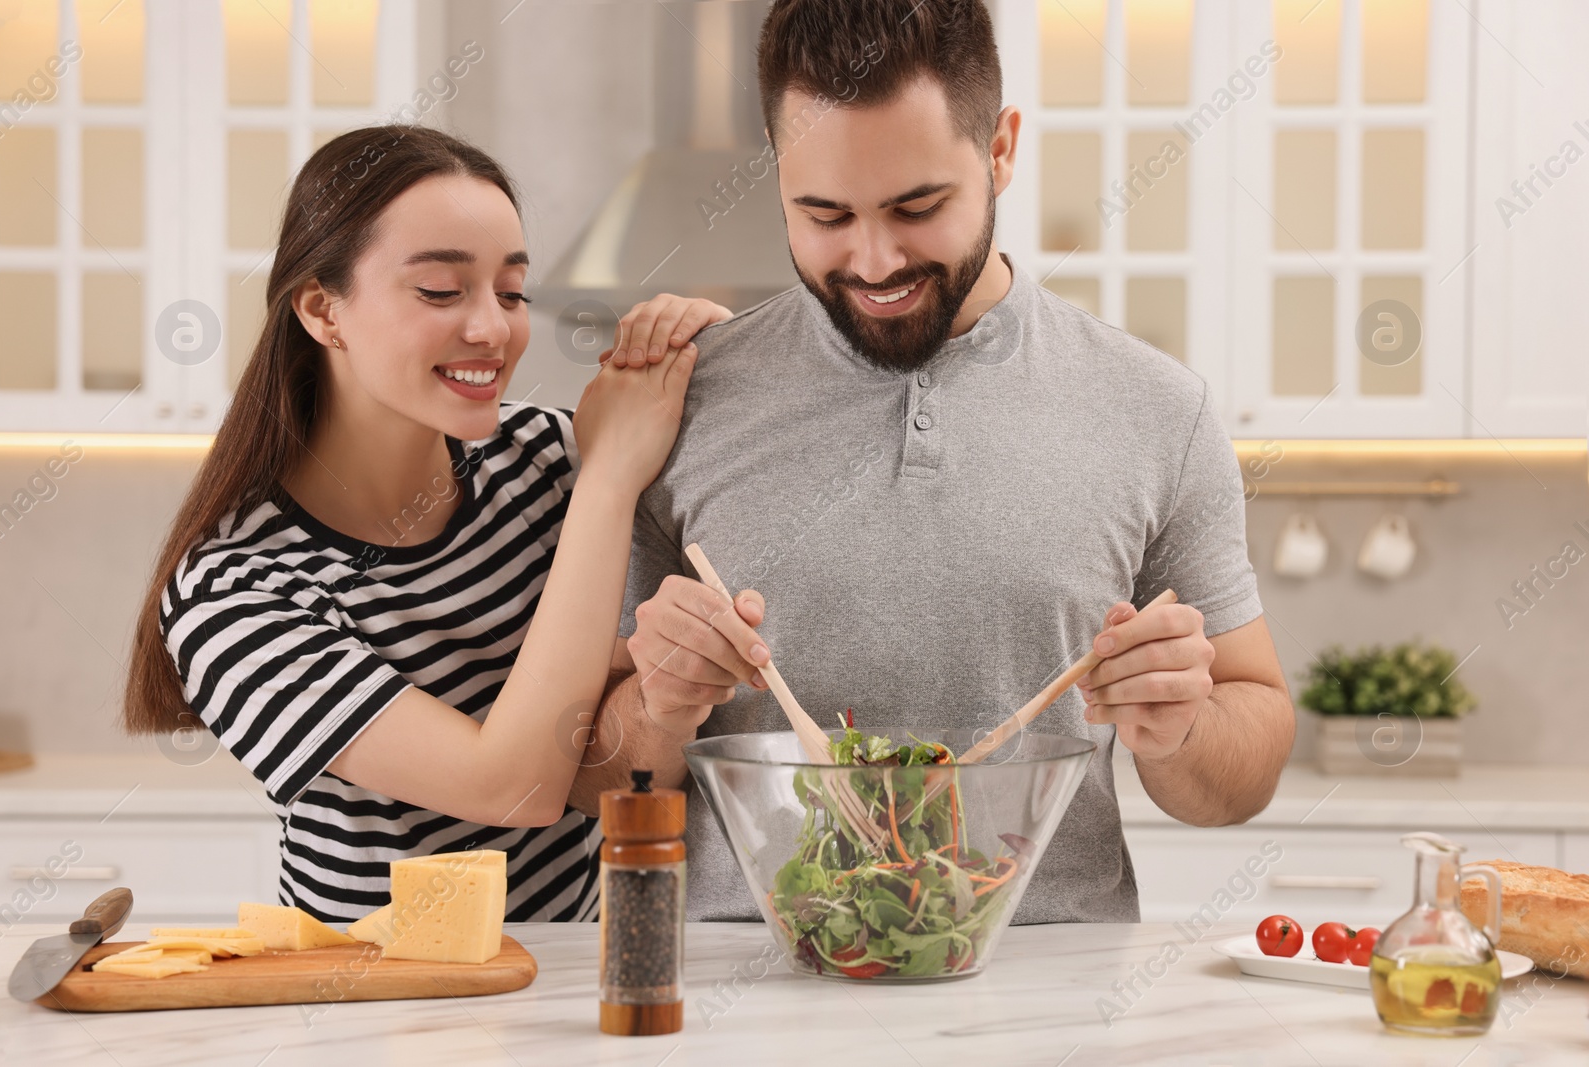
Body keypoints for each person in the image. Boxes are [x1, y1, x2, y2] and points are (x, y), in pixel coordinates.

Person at [573, 0, 1295, 924]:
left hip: (1050, 1005)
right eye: (823, 212)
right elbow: (594, 781)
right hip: (745, 1005)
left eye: (917, 207)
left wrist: (1184, 725)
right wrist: (660, 709)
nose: (873, 261)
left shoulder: (1159, 411)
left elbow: (1245, 774)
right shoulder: (678, 402)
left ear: (999, 151)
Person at [122, 124, 731, 921]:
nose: (492, 329)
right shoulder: (230, 592)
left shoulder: (546, 461)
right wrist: (610, 477)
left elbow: (602, 715)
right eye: (442, 291)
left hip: (565, 982)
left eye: (511, 293)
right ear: (322, 310)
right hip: (372, 1004)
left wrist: (720, 348)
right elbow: (511, 786)